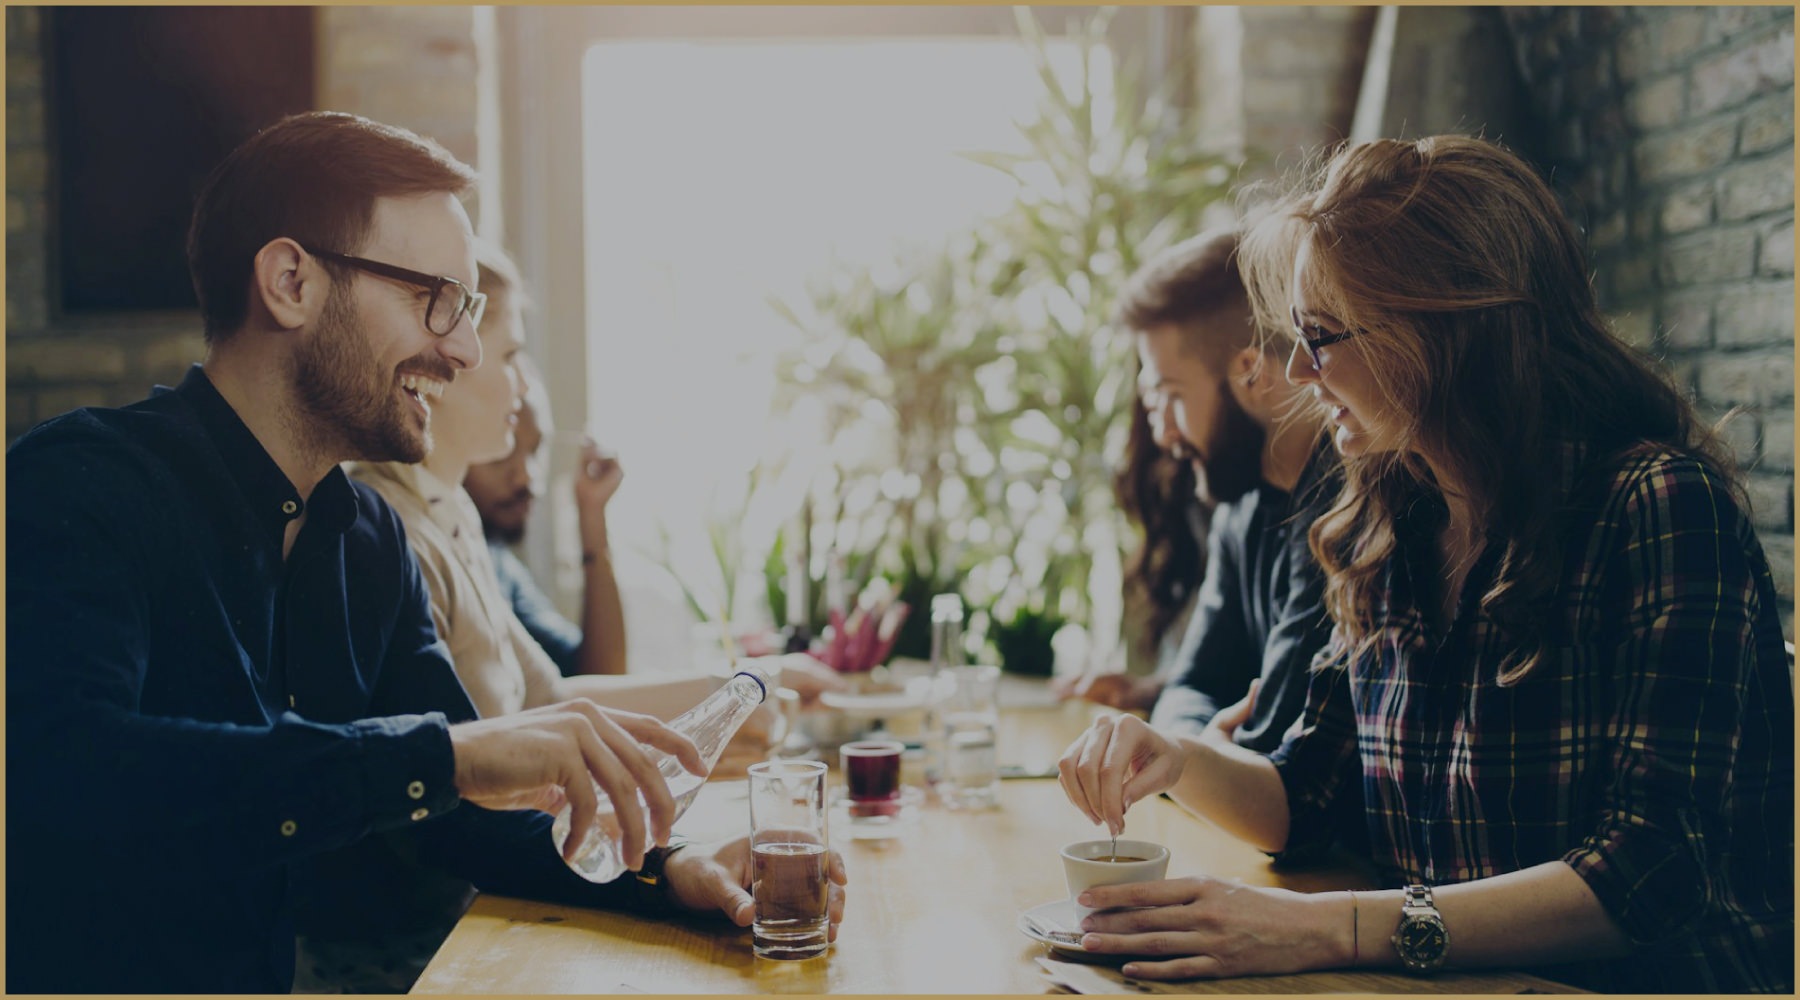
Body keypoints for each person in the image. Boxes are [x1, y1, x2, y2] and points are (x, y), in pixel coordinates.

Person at [5, 111, 846, 994]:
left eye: (469, 310)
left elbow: (459, 819)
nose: (466, 349)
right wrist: (449, 757)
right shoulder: (81, 485)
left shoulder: (368, 542)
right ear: (291, 282)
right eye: (434, 298)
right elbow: (66, 768)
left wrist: (670, 869)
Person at [1057, 136, 1793, 993]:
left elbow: (1649, 873)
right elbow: (1306, 795)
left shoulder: (1657, 506)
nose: (1295, 371)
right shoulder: (1386, 521)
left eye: (1319, 336)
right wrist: (1176, 756)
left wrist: (1329, 928)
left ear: (1442, 335)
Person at [1060, 228, 1339, 753]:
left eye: (1171, 396)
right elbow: (1192, 687)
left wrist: (1188, 754)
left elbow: (1273, 745)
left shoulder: (1343, 512)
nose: (1164, 434)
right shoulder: (1242, 506)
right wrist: (1191, 744)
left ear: (1250, 373)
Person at [464, 354, 615, 677]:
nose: (527, 477)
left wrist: (592, 515)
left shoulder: (497, 560)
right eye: (504, 450)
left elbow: (600, 674)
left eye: (536, 450)